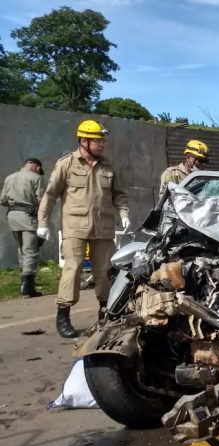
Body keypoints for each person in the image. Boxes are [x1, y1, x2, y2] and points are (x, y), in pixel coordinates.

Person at [37, 120, 129, 338]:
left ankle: (106, 314)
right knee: (74, 267)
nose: (102, 145)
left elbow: (119, 194)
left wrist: (124, 214)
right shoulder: (66, 164)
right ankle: (63, 314)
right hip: (75, 227)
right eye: (98, 141)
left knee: (105, 271)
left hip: (103, 228)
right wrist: (42, 222)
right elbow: (50, 194)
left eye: (103, 141)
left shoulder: (107, 166)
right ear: (84, 141)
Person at [1, 158, 44, 297]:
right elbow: (41, 200)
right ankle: (28, 285)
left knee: (21, 248)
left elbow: (3, 200)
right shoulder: (36, 178)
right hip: (28, 216)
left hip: (12, 216)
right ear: (37, 167)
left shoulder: (9, 177)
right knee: (30, 250)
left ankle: (23, 281)